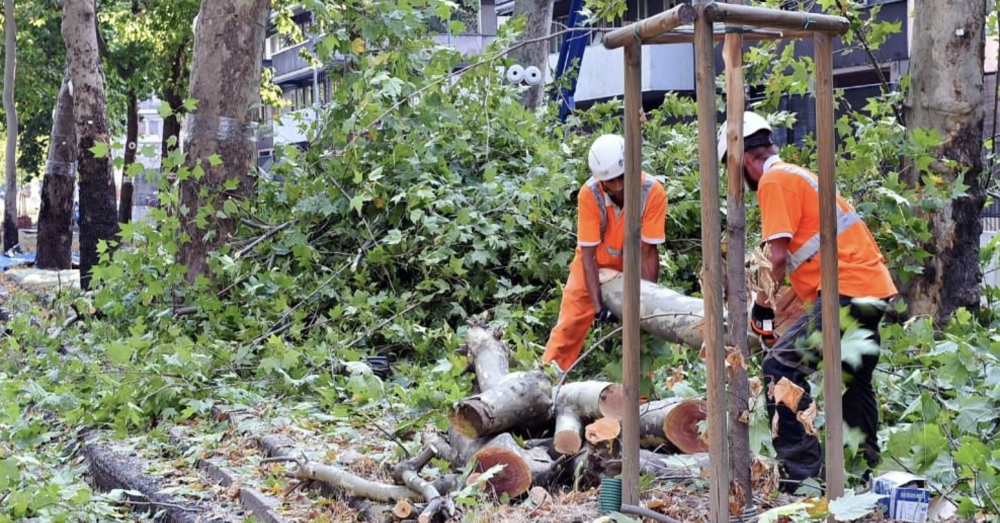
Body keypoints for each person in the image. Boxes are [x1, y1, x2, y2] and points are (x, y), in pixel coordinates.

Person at [717, 112, 897, 490]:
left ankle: (802, 479)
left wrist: (763, 308)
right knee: (853, 378)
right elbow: (811, 254)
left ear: (745, 160)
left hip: (845, 291)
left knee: (780, 367)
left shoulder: (773, 180)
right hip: (868, 286)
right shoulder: (798, 176)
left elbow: (777, 257)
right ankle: (861, 470)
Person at [541, 134, 667, 371]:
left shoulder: (652, 192)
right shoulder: (590, 194)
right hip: (592, 265)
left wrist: (646, 301)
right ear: (601, 180)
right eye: (611, 182)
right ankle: (546, 380)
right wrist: (599, 308)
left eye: (621, 178)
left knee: (642, 338)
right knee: (569, 326)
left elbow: (648, 252)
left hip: (631, 265)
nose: (618, 187)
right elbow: (587, 254)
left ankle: (641, 397)